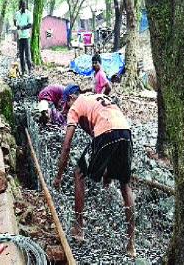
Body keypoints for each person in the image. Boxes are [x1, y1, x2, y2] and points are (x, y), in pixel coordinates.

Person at [53, 85, 136, 257]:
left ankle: (78, 227)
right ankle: (131, 244)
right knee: (125, 184)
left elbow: (66, 145)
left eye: (65, 105)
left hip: (106, 132)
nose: (65, 109)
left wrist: (59, 177)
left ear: (70, 98)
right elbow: (104, 144)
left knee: (78, 173)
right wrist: (107, 173)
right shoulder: (95, 97)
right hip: (125, 132)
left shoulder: (75, 106)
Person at [14, 0, 33, 75]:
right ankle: (23, 71)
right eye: (22, 5)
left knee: (27, 55)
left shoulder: (29, 13)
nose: (24, 6)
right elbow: (15, 21)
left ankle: (30, 71)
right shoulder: (17, 13)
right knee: (21, 55)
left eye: (25, 5)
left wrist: (22, 27)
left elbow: (30, 24)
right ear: (20, 5)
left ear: (26, 5)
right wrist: (17, 25)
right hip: (20, 37)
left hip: (26, 37)